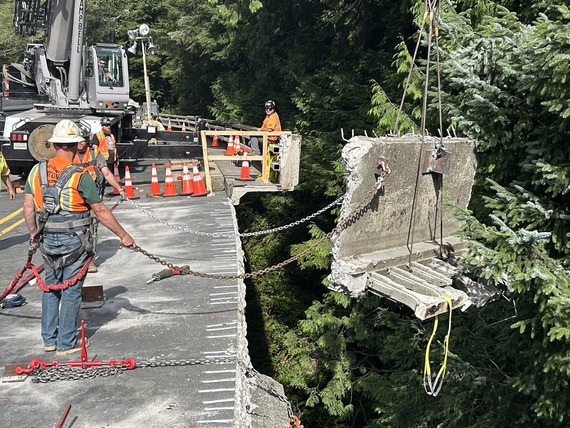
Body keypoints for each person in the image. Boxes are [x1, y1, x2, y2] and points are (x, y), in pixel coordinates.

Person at [23, 119, 135, 356]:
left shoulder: (36, 171)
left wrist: (34, 236)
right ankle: (66, 342)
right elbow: (101, 211)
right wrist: (124, 236)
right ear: (75, 145)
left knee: (51, 288)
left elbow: (28, 208)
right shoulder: (80, 176)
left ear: (54, 145)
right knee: (71, 290)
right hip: (74, 241)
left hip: (47, 240)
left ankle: (49, 339)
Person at [74, 128, 126, 273]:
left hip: (92, 198)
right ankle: (75, 260)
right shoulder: (69, 155)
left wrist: (119, 189)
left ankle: (89, 261)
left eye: (83, 139)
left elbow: (106, 173)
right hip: (74, 198)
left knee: (91, 229)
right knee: (75, 230)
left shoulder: (94, 154)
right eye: (77, 139)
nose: (80, 143)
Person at [92, 117, 117, 196]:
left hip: (110, 160)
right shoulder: (97, 135)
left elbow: (113, 147)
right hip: (101, 161)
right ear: (102, 126)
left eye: (109, 125)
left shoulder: (111, 135)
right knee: (100, 179)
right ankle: (98, 194)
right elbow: (95, 148)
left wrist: (116, 158)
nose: (108, 126)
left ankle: (102, 193)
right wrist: (96, 161)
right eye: (106, 125)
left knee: (106, 179)